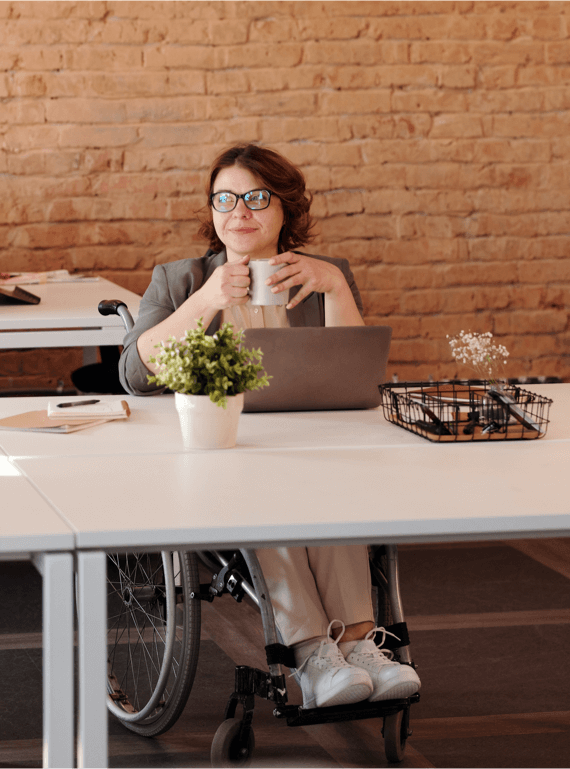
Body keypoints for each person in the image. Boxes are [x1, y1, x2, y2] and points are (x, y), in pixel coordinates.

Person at [119, 143, 420, 709]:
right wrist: (208, 299)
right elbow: (137, 374)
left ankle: (359, 650)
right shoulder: (179, 279)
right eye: (225, 198)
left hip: (313, 453)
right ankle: (311, 656)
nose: (240, 211)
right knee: (269, 496)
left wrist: (331, 286)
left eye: (257, 197)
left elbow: (356, 379)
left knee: (333, 494)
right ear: (211, 211)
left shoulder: (323, 277)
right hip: (220, 461)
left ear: (286, 209)